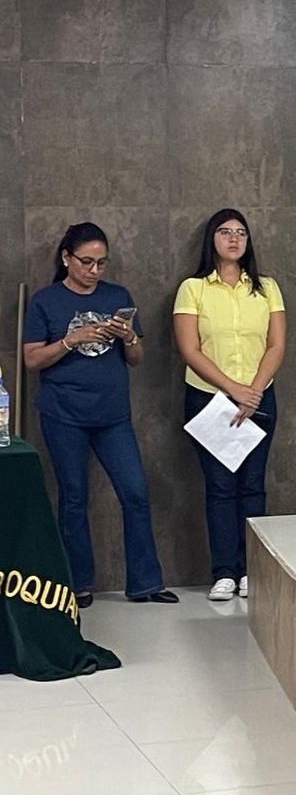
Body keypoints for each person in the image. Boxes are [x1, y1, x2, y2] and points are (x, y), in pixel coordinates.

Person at [22, 222, 178, 607]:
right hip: (64, 414)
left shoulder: (117, 295)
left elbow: (136, 359)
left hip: (113, 416)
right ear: (66, 258)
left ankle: (145, 583)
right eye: (86, 262)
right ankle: (78, 585)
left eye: (101, 263)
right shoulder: (45, 301)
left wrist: (129, 337)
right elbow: (32, 360)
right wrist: (71, 339)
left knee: (135, 492)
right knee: (74, 498)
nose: (94, 270)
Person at [173, 210, 286, 602]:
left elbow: (276, 345)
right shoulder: (193, 288)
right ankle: (224, 571)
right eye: (225, 232)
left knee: (253, 485)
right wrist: (233, 388)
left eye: (241, 233)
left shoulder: (266, 288)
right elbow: (190, 349)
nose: (234, 239)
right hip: (210, 398)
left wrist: (253, 390)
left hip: (259, 397)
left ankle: (252, 570)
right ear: (212, 239)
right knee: (220, 486)